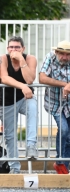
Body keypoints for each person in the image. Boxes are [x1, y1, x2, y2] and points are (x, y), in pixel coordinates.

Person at [0, 36, 38, 174]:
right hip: (8, 100)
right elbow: (4, 77)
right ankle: (14, 168)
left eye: (17, 47)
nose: (14, 50)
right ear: (7, 48)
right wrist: (22, 86)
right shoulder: (3, 59)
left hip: (25, 98)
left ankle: (31, 145)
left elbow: (30, 79)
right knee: (10, 136)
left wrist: (21, 60)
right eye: (11, 47)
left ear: (23, 49)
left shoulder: (30, 59)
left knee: (33, 107)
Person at [39, 40, 70, 174]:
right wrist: (64, 84)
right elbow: (42, 78)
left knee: (69, 134)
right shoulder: (50, 57)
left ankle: (65, 166)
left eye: (67, 54)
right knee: (63, 129)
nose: (64, 57)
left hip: (69, 103)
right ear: (56, 52)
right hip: (55, 102)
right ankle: (60, 161)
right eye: (61, 53)